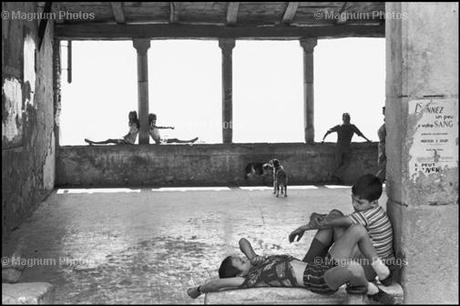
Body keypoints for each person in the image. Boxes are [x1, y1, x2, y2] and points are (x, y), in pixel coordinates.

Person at [186, 236, 395, 304]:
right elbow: (218, 284)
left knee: (357, 231)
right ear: (240, 274)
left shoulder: (258, 263)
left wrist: (252, 258)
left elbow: (242, 241)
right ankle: (371, 290)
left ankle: (379, 271)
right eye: (240, 262)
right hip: (318, 279)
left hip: (320, 265)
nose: (244, 259)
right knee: (354, 268)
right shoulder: (249, 280)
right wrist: (198, 289)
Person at [288, 174, 396, 284]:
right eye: (353, 199)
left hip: (367, 269)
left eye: (359, 202)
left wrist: (304, 228)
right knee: (335, 214)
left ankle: (306, 267)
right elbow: (336, 219)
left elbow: (330, 222)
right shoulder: (372, 211)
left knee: (340, 224)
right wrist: (315, 216)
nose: (355, 205)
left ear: (374, 203)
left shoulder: (367, 215)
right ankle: (307, 265)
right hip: (366, 262)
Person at [321, 113, 372, 183]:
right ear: (343, 119)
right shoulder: (340, 126)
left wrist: (367, 140)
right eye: (346, 118)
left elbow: (360, 134)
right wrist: (323, 139)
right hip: (340, 147)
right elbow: (329, 131)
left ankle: (336, 176)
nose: (347, 119)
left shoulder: (351, 127)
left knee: (346, 163)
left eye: (348, 118)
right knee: (339, 163)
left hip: (345, 147)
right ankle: (337, 178)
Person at [376, 107, 386, 182]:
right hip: (383, 145)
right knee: (383, 164)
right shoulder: (385, 124)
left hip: (384, 145)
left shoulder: (387, 124)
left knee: (384, 165)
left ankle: (377, 180)